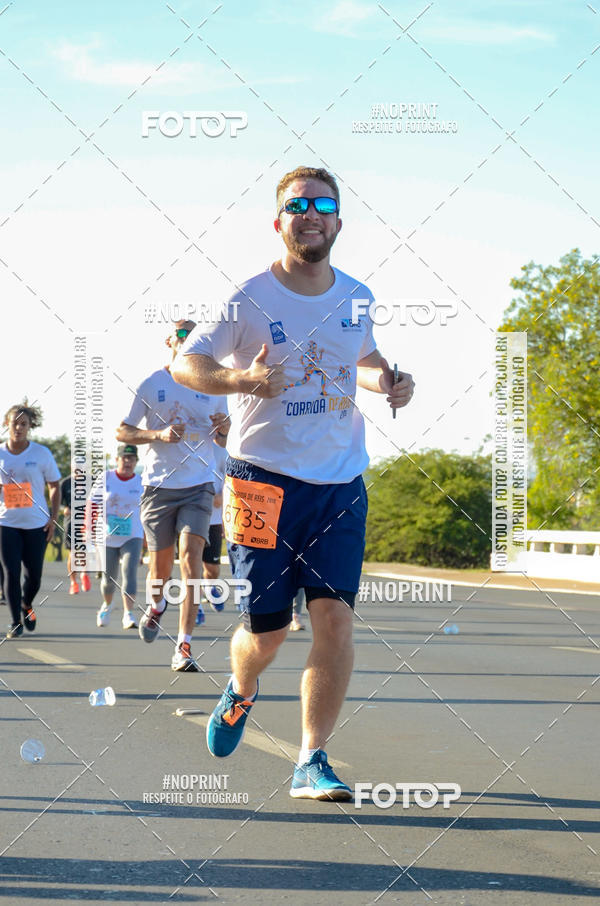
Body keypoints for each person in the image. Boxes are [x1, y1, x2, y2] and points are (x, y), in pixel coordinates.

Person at [172, 165, 414, 800]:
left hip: (339, 481)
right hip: (262, 483)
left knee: (334, 617)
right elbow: (187, 363)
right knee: (268, 631)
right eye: (297, 204)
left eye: (323, 204)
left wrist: (388, 381)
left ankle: (312, 757)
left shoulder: (357, 294)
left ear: (338, 221)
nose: (311, 213)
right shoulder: (247, 298)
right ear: (279, 221)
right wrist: (243, 381)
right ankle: (242, 688)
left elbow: (360, 359)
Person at [116, 321, 229, 671]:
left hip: (198, 487)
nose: (187, 341)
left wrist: (222, 430)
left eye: (194, 336)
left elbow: (226, 441)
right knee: (160, 571)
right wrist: (158, 435)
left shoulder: (214, 385)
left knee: (191, 558)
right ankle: (156, 605)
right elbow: (123, 430)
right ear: (169, 341)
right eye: (181, 334)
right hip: (158, 488)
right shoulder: (153, 383)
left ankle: (184, 647)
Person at [0, 403, 61, 638]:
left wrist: (53, 519)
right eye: (14, 423)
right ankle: (16, 622)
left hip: (37, 524)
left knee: (34, 576)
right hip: (6, 523)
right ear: (7, 424)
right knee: (10, 573)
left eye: (23, 424)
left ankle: (27, 604)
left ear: (29, 427)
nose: (18, 427)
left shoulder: (41, 453)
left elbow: (54, 486)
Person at [91, 444, 144, 630]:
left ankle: (128, 614)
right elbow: (93, 503)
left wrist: (146, 537)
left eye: (132, 459)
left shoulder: (141, 482)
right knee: (108, 580)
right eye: (124, 458)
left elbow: (146, 510)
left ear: (136, 461)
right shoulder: (106, 478)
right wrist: (87, 528)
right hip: (107, 535)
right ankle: (107, 604)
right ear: (117, 459)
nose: (128, 462)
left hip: (133, 535)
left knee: (130, 574)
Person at [197, 442, 228, 622]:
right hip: (191, 516)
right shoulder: (187, 447)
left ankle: (209, 587)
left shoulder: (221, 451)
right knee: (191, 565)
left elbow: (231, 477)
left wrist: (223, 496)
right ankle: (197, 608)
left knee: (212, 569)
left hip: (214, 519)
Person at [60, 474, 91, 595]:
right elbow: (58, 500)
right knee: (72, 553)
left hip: (86, 521)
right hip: (71, 522)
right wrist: (64, 508)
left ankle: (84, 573)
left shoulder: (90, 482)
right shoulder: (65, 483)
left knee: (85, 551)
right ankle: (74, 583)